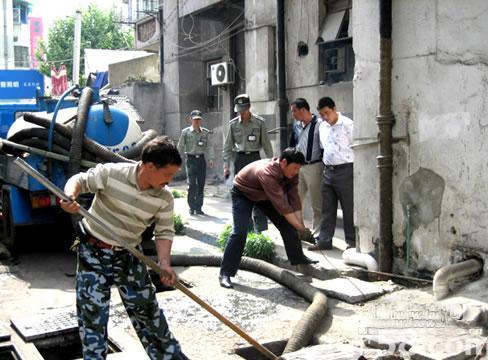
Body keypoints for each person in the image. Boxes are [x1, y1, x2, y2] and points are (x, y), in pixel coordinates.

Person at [60, 136, 189, 360]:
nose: (170, 180)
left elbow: (164, 231)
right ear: (149, 166)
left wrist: (164, 263)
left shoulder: (164, 198)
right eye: (167, 174)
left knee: (148, 313)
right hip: (94, 252)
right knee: (93, 317)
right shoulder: (112, 173)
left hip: (129, 255)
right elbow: (79, 179)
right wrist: (70, 196)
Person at [219, 147, 318, 289]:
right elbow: (284, 207)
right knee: (240, 232)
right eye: (295, 168)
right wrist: (301, 228)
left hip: (264, 195)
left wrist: (300, 226)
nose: (296, 172)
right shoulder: (268, 173)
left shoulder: (291, 173)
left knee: (287, 225)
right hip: (243, 192)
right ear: (283, 163)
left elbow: (294, 200)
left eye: (298, 169)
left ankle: (298, 258)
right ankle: (225, 274)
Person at [308, 97, 355, 251]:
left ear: (335, 109)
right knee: (327, 208)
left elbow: (355, 147)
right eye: (322, 115)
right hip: (328, 170)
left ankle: (352, 242)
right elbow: (324, 147)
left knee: (348, 208)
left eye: (327, 113)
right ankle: (324, 241)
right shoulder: (322, 127)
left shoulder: (348, 125)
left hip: (345, 170)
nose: (325, 117)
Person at [222, 93, 273, 233]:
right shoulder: (233, 125)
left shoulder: (259, 123)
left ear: (249, 107)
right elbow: (227, 147)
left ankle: (261, 229)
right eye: (239, 110)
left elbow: (267, 145)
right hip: (240, 160)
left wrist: (272, 163)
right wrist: (226, 166)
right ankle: (247, 229)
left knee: (259, 193)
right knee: (242, 194)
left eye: (243, 110)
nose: (241, 113)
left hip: (255, 159)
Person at [289, 97, 323, 239]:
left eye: (294, 111)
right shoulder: (296, 125)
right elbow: (292, 144)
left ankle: (317, 234)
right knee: (296, 201)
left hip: (314, 166)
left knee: (317, 203)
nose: (293, 114)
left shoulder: (320, 124)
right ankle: (299, 231)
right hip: (298, 168)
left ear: (303, 110)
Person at [177, 110, 214, 215]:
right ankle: (191, 206)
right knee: (192, 184)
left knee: (201, 184)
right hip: (190, 160)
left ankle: (198, 207)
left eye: (198, 119)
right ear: (191, 119)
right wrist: (177, 161)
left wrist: (211, 159)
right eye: (195, 119)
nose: (197, 121)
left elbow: (209, 146)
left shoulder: (205, 132)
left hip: (201, 160)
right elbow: (180, 146)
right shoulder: (185, 132)